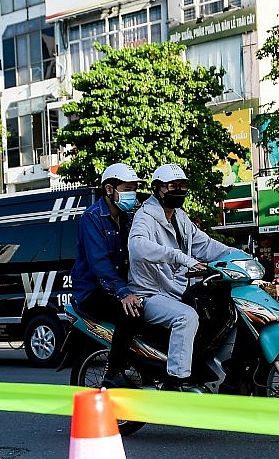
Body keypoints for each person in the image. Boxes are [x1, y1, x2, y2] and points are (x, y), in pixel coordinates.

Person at [128, 163, 232, 391]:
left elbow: (205, 245)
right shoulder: (145, 216)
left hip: (174, 292)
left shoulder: (180, 217)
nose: (179, 190)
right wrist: (179, 257)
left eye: (183, 186)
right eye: (173, 186)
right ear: (158, 189)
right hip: (149, 295)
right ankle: (177, 381)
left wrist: (241, 256)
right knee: (186, 317)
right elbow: (136, 247)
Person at [70, 163, 147, 388]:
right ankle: (113, 374)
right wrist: (124, 294)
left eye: (133, 189)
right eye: (126, 189)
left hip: (120, 286)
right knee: (130, 313)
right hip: (92, 291)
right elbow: (99, 263)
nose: (131, 194)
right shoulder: (92, 218)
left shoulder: (128, 218)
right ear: (109, 189)